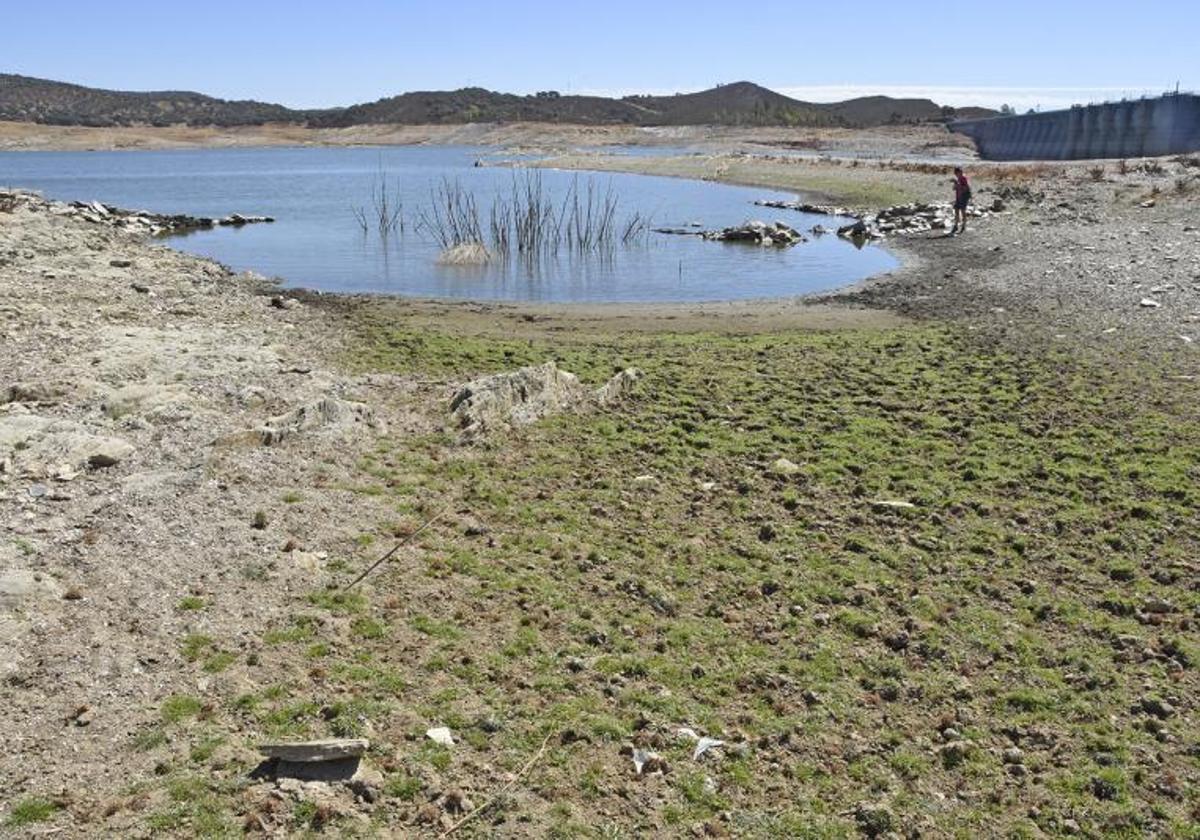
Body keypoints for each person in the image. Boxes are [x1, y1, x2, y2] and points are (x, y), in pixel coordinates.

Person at [951, 167, 971, 235]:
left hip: (963, 197)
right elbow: (954, 188)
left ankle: (963, 225)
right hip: (958, 196)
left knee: (963, 211)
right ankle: (956, 225)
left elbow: (965, 188)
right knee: (956, 210)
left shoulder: (963, 178)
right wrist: (955, 185)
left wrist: (958, 184)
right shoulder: (958, 179)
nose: (956, 174)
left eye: (957, 173)